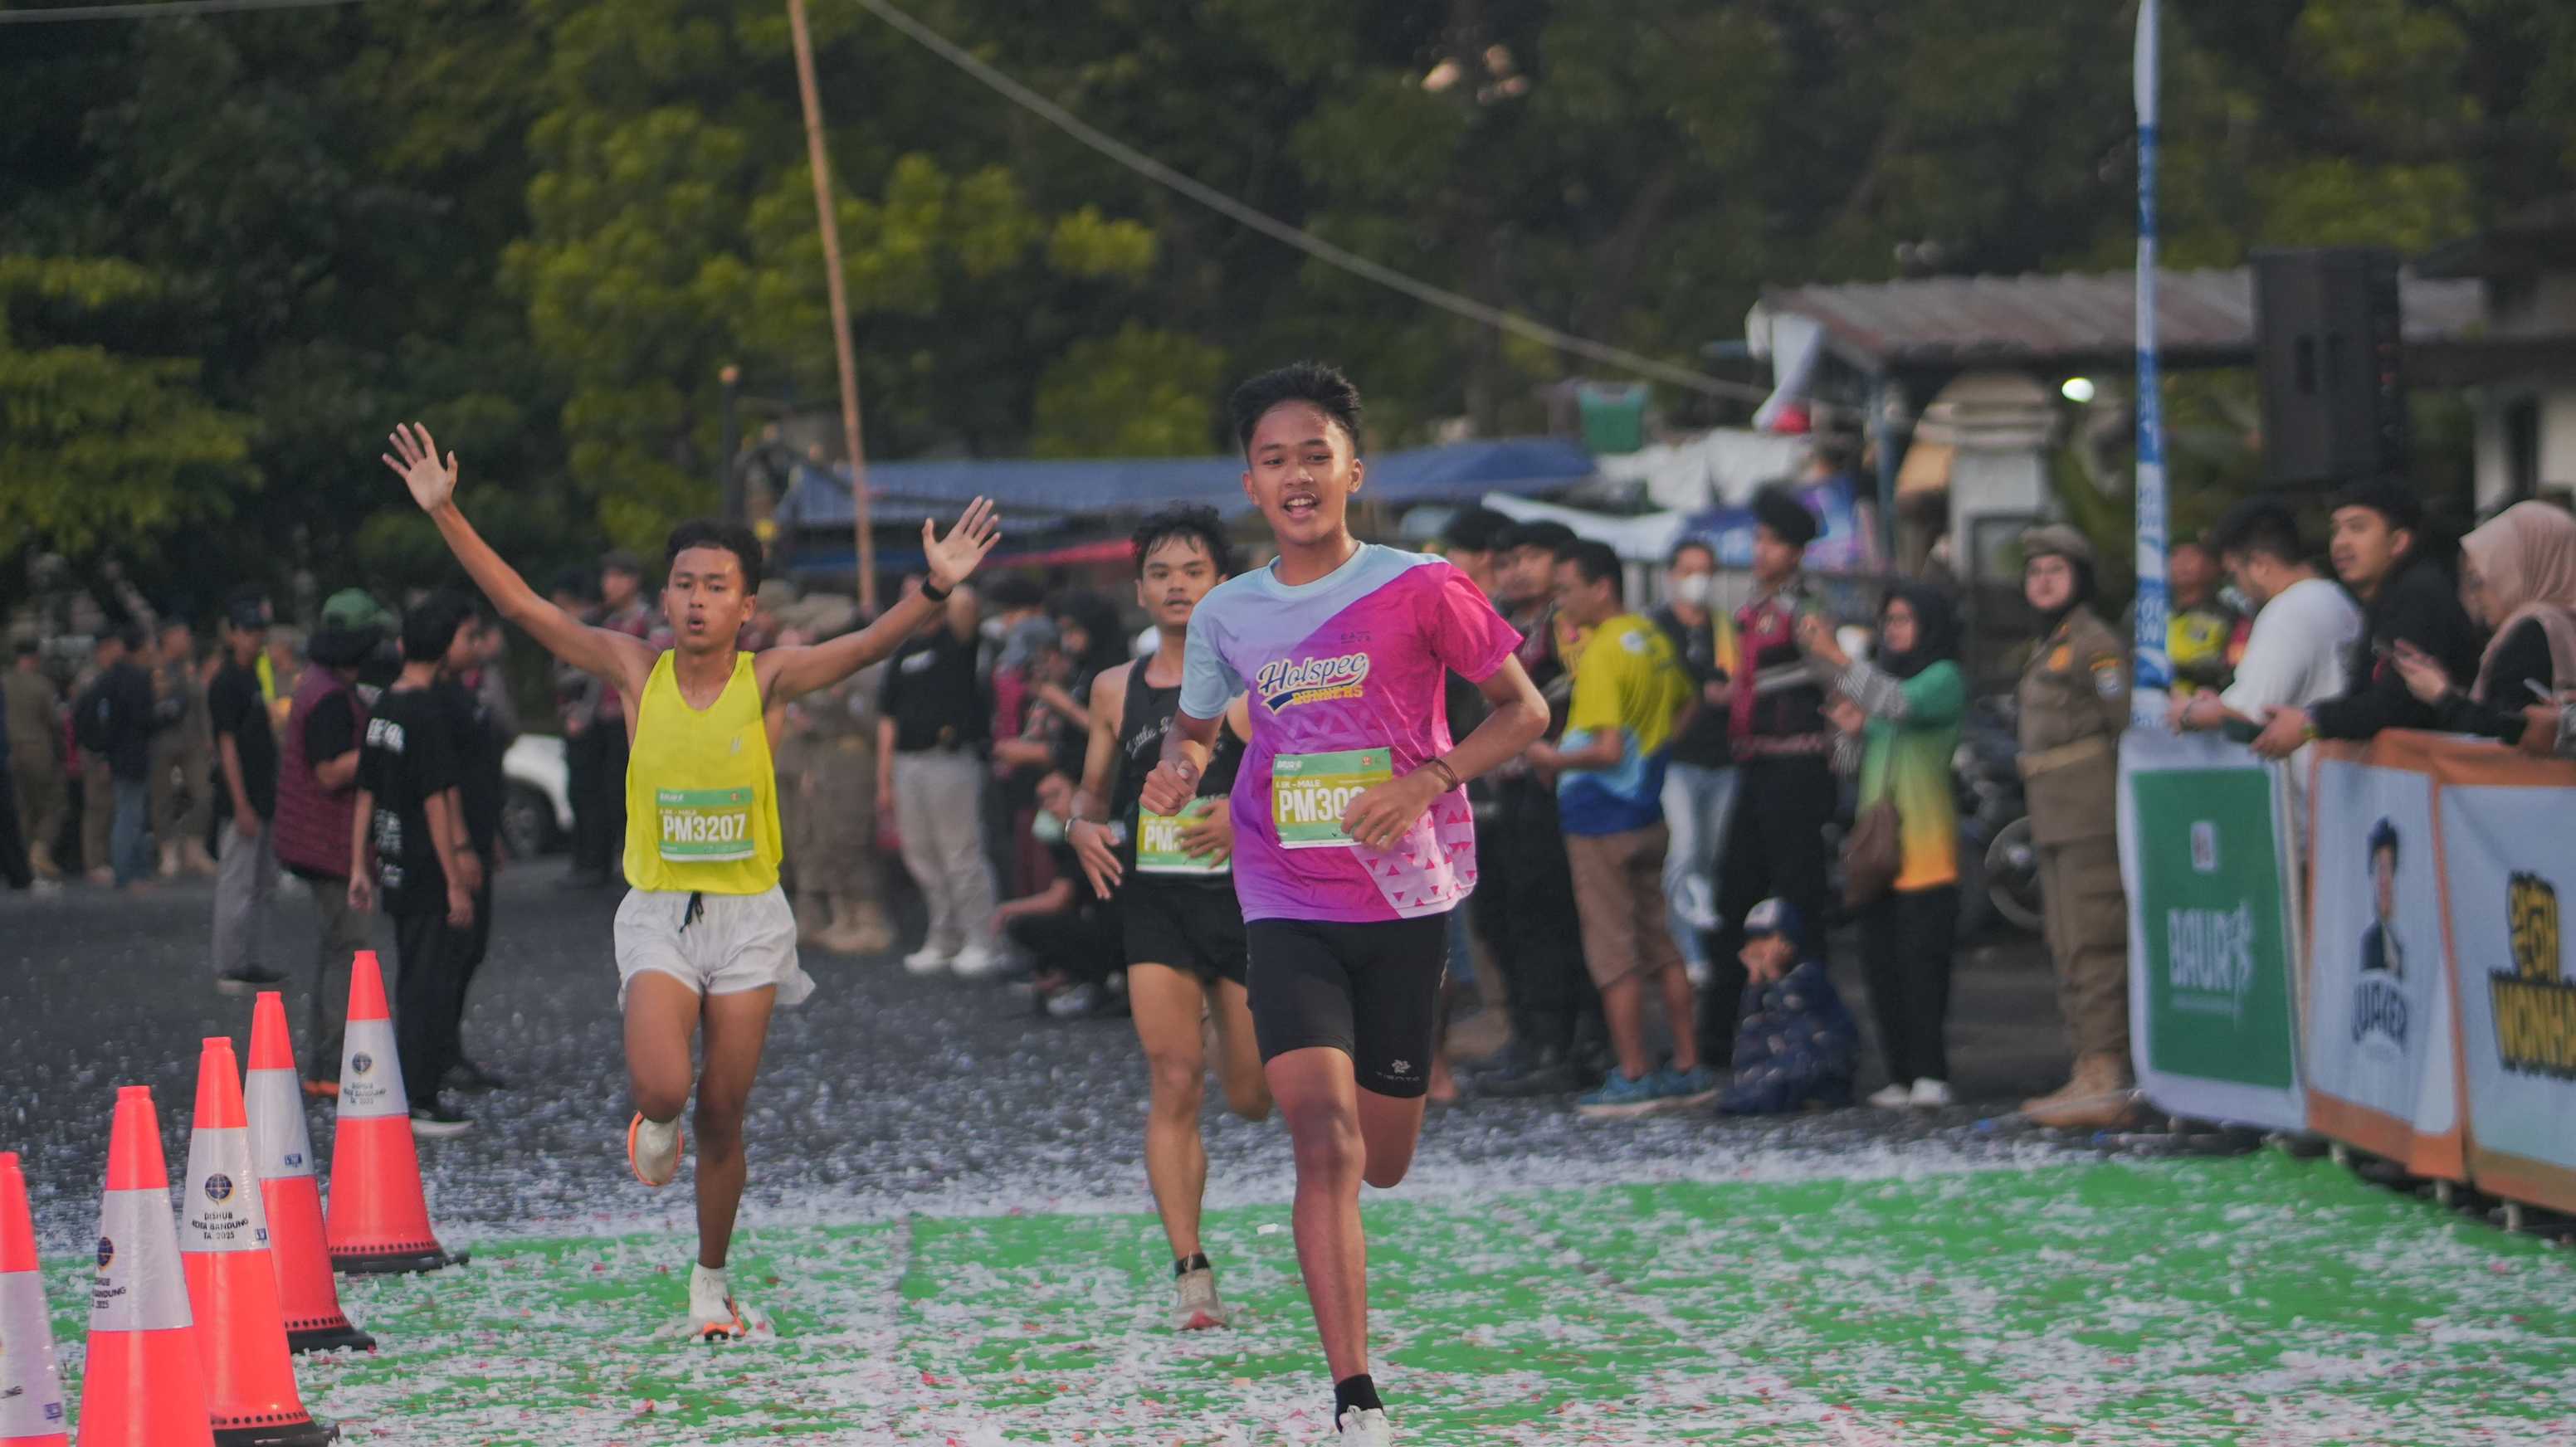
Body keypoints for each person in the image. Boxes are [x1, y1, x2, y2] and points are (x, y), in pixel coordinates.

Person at [383, 419, 998, 1340]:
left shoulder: (770, 676)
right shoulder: (635, 668)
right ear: (665, 597)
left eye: (716, 586)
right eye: (684, 583)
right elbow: (522, 608)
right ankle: (655, 1121)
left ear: (746, 605)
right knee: (668, 1090)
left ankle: (711, 1282)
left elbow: (871, 645)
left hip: (749, 918)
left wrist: (935, 587)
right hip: (661, 913)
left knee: (724, 1112)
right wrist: (446, 511)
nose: (698, 599)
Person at [1139, 363, 1546, 1444]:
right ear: (1250, 485)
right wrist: (1179, 769)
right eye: (1273, 460)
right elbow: (1196, 728)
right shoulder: (1228, 612)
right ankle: (1354, 1395)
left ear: (1352, 471)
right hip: (1283, 898)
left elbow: (1525, 712)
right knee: (1322, 1143)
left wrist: (1425, 781)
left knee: (1385, 1156)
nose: (1296, 476)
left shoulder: (1423, 587)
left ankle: (1385, 1125)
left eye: (1314, 455)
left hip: (1405, 897)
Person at [1064, 504, 1269, 1330]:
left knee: (1252, 1096)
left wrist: (1243, 818)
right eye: (1160, 573)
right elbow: (1090, 792)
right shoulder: (1114, 687)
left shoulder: (1258, 680)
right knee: (1173, 1077)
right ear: (1140, 590)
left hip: (1248, 904)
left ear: (1222, 584)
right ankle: (1192, 1273)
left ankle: (1223, 1032)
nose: (1177, 585)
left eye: (1193, 571)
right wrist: (1079, 827)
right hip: (1155, 903)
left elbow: (1299, 784)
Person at [1527, 539, 1708, 1118]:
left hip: (1599, 820)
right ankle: (1688, 1067)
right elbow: (1691, 702)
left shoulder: (1605, 650)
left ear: (1601, 588)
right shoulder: (1651, 636)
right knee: (1662, 943)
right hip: (1647, 814)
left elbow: (1605, 749)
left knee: (1613, 952)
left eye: (1567, 589)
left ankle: (1633, 1074)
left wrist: (1552, 758)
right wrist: (1653, 755)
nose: (1560, 602)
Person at [1803, 585, 1967, 1108]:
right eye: (1889, 620)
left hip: (1925, 850)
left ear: (1930, 624)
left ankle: (1931, 1074)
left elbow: (1898, 704)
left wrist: (1835, 656)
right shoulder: (1880, 684)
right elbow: (1848, 766)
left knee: (1922, 967)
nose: (1893, 629)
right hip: (1877, 858)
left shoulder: (1943, 678)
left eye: (1904, 619)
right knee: (1882, 967)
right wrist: (1847, 733)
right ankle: (1900, 1075)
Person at [1702, 485, 1836, 1070]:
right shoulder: (1753, 610)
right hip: (1755, 768)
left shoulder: (1808, 610)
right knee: (1735, 899)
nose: (1760, 551)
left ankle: (1810, 1034)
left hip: (1797, 770)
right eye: (1758, 539)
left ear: (1797, 552)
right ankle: (1724, 1041)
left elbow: (1835, 682)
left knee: (1798, 900)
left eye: (1772, 542)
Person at [2013, 526, 2139, 1131]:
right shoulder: (2050, 644)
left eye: (2055, 571)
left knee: (2096, 945)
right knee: (2066, 944)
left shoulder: (2095, 644)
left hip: (2090, 818)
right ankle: (2086, 1069)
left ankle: (2107, 1075)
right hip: (2054, 818)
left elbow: (2124, 724)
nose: (2042, 582)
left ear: (2079, 579)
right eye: (2034, 572)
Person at [348, 593, 482, 1137]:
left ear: (403, 645)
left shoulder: (383, 707)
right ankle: (420, 1097)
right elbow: (436, 800)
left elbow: (365, 790)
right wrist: (456, 880)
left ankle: (413, 1088)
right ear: (446, 649)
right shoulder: (427, 713)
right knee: (426, 982)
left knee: (409, 974)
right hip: (426, 866)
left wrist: (359, 865)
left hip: (392, 859)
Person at [1471, 519, 1594, 1097]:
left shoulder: (1569, 625)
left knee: (1551, 916)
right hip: (1499, 789)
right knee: (1501, 916)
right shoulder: (1491, 623)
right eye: (1506, 561)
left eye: (1529, 557)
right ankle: (1525, 1036)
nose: (1517, 571)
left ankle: (1562, 1043)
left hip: (1555, 786)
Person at [2174, 500, 2364, 841]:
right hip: (2344, 798)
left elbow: (2250, 712)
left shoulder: (2287, 612)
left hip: (2311, 815)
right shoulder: (2336, 598)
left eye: (2235, 574)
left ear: (2259, 565)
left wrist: (2188, 712)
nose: (2237, 587)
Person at [2252, 477, 2480, 758]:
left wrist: (2312, 722)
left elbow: (2398, 704)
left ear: (2398, 541)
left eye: (2357, 528)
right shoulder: (2387, 597)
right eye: (2336, 530)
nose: (2340, 543)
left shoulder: (2419, 596)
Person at [274, 591, 389, 1087]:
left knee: (337, 948)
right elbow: (328, 771)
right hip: (329, 842)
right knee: (349, 949)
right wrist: (383, 749)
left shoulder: (319, 684)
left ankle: (330, 1063)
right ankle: (336, 1063)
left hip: (317, 840)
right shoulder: (328, 698)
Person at [878, 575, 1004, 979]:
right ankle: (944, 935)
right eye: (905, 595)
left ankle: (983, 939)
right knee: (921, 855)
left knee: (961, 851)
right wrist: (883, 780)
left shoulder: (957, 639)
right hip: (908, 762)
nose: (911, 600)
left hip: (949, 760)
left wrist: (940, 580)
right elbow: (887, 719)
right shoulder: (902, 652)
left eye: (917, 593)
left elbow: (965, 602)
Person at [2389, 501, 2576, 747]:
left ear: (2516, 573)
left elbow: (2508, 731)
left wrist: (2442, 696)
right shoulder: (2563, 623)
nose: (2474, 597)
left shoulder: (2533, 630)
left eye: (2479, 581)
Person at [1650, 538, 1739, 987]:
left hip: (1723, 759)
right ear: (1671, 575)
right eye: (1688, 570)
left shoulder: (1725, 629)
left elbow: (1741, 679)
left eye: (1704, 571)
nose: (1696, 580)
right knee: (1683, 851)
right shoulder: (1656, 628)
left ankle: (1702, 945)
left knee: (1710, 856)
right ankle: (1684, 952)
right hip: (1677, 759)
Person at [433, 608, 513, 1090]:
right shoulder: (437, 700)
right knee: (451, 951)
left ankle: (449, 1050)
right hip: (456, 843)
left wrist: (491, 834)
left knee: (471, 949)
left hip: (478, 834)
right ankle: (438, 1054)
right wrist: (461, 845)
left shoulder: (468, 693)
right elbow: (444, 784)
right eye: (469, 637)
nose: (478, 646)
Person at [208, 592, 286, 993]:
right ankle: (229, 964)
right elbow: (226, 745)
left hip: (262, 791)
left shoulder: (252, 675)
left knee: (261, 882)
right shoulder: (226, 682)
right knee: (237, 882)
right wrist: (240, 802)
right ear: (233, 634)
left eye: (258, 631)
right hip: (243, 796)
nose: (256, 638)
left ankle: (249, 958)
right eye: (249, 631)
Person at [1715, 898, 1860, 1114]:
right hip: (1787, 1065)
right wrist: (1755, 982)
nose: (1756, 947)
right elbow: (1747, 1034)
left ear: (1788, 940)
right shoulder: (1761, 983)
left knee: (1773, 1086)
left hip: (1824, 1068)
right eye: (1752, 939)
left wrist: (1774, 975)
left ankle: (1815, 1097)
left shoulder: (1808, 975)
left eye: (1765, 938)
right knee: (1742, 1088)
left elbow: (1798, 1024)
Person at [1002, 771, 1125, 1015]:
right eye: (1043, 800)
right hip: (1115, 930)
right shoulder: (1073, 837)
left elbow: (1059, 899)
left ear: (1080, 794)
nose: (1049, 806)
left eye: (1055, 796)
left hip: (1123, 934)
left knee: (1024, 924)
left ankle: (1099, 980)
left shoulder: (1092, 834)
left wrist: (1005, 910)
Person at [76, 624, 159, 891]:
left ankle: (131, 871)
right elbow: (144, 718)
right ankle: (128, 873)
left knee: (128, 812)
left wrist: (100, 747)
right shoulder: (136, 678)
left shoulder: (108, 679)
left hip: (116, 754)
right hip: (132, 754)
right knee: (129, 815)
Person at [148, 615, 217, 879]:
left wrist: (208, 737)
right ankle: (167, 850)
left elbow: (202, 705)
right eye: (182, 635)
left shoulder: (190, 668)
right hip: (161, 742)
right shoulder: (153, 667)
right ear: (168, 638)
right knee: (162, 799)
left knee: (204, 794)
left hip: (192, 741)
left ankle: (194, 847)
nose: (187, 640)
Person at [5, 641, 68, 881]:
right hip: (38, 751)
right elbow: (55, 722)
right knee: (54, 802)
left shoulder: (4, 683)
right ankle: (40, 848)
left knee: (21, 807)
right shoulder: (42, 685)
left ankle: (21, 859)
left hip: (9, 752)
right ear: (34, 659)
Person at [2166, 541, 2240, 698]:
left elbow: (2234, 669)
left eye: (2191, 557)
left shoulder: (2228, 617)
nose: (2182, 564)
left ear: (2214, 566)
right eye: (2176, 556)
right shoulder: (2146, 613)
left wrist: (2177, 669)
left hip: (2206, 703)